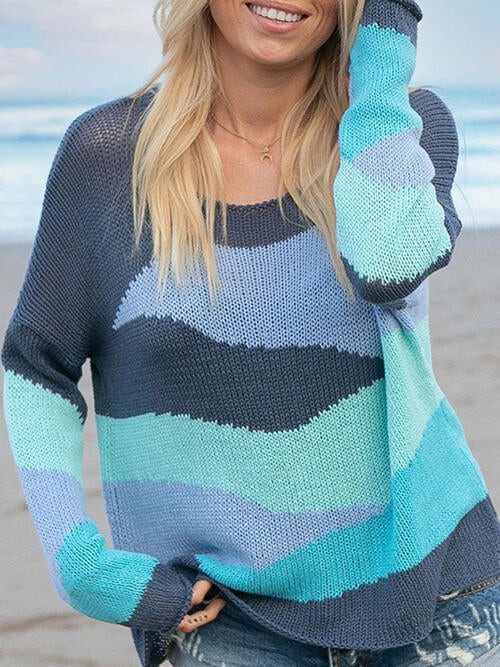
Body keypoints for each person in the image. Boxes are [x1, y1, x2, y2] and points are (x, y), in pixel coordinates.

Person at [1, 0, 499, 665]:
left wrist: (383, 47)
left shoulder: (399, 129)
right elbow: (37, 363)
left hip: (438, 593)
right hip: (231, 617)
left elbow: (386, 266)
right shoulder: (111, 157)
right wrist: (79, 565)